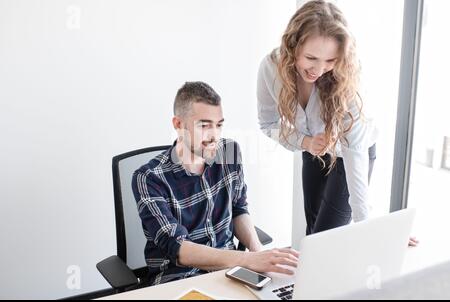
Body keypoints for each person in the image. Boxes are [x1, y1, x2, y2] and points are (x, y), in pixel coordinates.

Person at [256, 0, 418, 245]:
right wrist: (305, 142)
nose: (319, 70)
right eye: (311, 57)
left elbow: (355, 153)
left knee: (326, 241)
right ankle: (312, 283)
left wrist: (370, 228)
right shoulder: (270, 68)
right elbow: (268, 123)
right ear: (293, 45)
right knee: (313, 237)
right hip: (313, 150)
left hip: (350, 152)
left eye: (330, 60)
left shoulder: (347, 79)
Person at [132, 81, 299, 285]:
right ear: (178, 125)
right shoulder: (149, 178)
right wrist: (249, 259)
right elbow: (178, 248)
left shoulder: (229, 152)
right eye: (204, 125)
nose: (214, 136)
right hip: (179, 278)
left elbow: (238, 209)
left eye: (219, 125)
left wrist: (260, 256)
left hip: (231, 271)